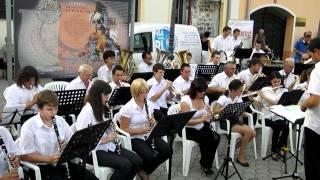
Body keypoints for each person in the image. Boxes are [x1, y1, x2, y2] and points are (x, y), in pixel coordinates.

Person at [18, 90, 98, 180]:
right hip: (41, 168)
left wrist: (68, 145)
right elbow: (24, 155)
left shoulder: (60, 121)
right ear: (39, 109)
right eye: (49, 109)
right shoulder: (29, 126)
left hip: (61, 164)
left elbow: (72, 140)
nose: (53, 113)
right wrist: (49, 159)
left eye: (56, 108)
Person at [76, 80, 143, 180]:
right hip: (93, 151)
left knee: (137, 161)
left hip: (108, 146)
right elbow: (83, 139)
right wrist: (106, 139)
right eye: (105, 95)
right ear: (97, 95)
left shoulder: (101, 108)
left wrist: (110, 127)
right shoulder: (87, 112)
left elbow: (105, 129)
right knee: (126, 165)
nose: (107, 98)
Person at [119, 78, 171, 180]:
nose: (146, 95)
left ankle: (144, 170)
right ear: (135, 93)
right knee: (149, 156)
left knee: (168, 150)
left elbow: (152, 120)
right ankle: (142, 170)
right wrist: (140, 131)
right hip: (134, 137)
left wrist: (153, 121)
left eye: (146, 92)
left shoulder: (149, 104)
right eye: (142, 93)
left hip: (147, 134)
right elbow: (123, 129)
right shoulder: (127, 108)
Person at [180, 77, 220, 175]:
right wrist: (201, 119)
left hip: (200, 125)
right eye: (200, 91)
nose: (202, 93)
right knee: (206, 138)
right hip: (187, 128)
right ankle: (206, 165)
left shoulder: (205, 98)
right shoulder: (186, 101)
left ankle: (205, 162)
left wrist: (209, 112)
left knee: (216, 138)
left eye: (204, 91)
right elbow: (185, 122)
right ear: (194, 90)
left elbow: (208, 116)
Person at [213, 79, 256, 166]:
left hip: (234, 120)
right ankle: (240, 157)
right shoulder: (224, 98)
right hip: (225, 122)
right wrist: (228, 107)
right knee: (248, 132)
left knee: (253, 133)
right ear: (233, 90)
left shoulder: (238, 98)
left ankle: (233, 148)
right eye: (240, 91)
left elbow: (241, 113)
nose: (241, 92)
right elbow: (215, 111)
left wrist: (242, 110)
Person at [255, 71, 289, 160]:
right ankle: (275, 150)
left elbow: (277, 103)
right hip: (264, 116)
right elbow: (258, 105)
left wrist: (264, 97)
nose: (277, 83)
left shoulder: (284, 90)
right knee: (277, 126)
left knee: (286, 127)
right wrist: (254, 99)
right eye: (275, 82)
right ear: (270, 81)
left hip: (278, 115)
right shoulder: (265, 89)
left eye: (279, 81)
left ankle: (278, 148)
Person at [301, 37, 320, 180]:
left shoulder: (317, 70)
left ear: (317, 52)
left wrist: (303, 104)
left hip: (315, 125)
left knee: (313, 165)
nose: (310, 57)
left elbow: (314, 100)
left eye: (311, 53)